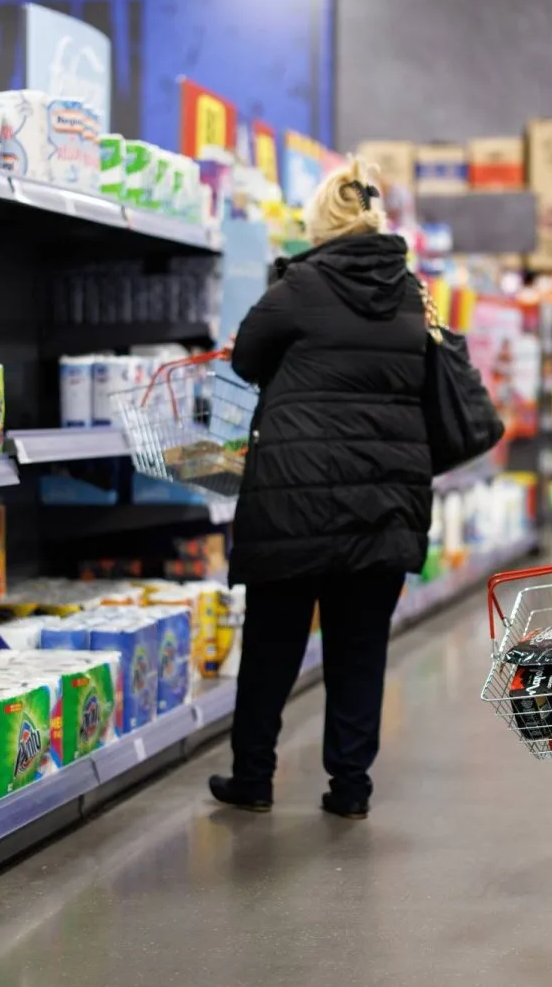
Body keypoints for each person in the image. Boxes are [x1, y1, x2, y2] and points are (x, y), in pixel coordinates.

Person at [208, 159, 431, 821]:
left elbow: (247, 357)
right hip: (385, 503)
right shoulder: (411, 294)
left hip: (295, 501)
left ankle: (254, 775)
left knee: (273, 647)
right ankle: (351, 788)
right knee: (359, 651)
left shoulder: (299, 286)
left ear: (321, 226)